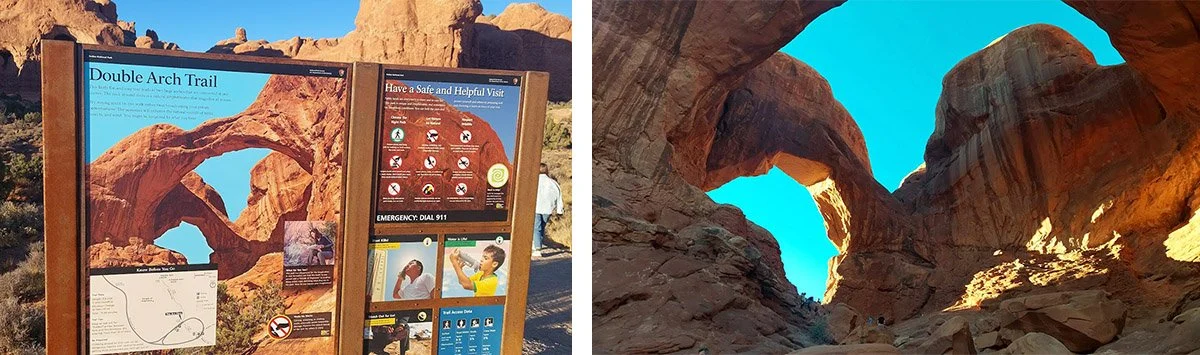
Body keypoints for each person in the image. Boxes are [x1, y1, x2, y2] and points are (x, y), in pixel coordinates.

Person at [533, 163, 564, 257]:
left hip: (536, 207)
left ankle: (537, 248)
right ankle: (537, 244)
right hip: (548, 208)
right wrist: (559, 210)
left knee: (537, 227)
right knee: (542, 227)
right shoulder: (553, 183)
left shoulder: (534, 181)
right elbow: (559, 196)